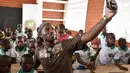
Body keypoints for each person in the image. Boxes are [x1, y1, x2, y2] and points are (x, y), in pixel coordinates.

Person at [34, 1, 119, 73]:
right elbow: (33, 67)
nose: (52, 31)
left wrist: (106, 18)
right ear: (41, 35)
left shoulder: (65, 45)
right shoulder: (39, 51)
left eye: (52, 29)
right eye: (47, 29)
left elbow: (87, 36)